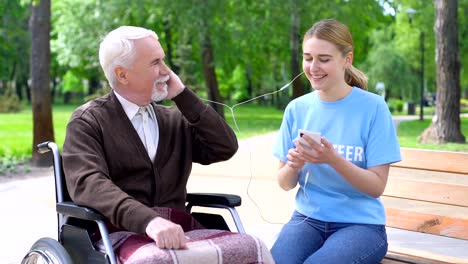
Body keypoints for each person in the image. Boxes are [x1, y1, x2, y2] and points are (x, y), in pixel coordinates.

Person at [62, 26, 273, 263]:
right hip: (115, 231)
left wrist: (183, 95)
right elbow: (89, 184)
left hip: (179, 227)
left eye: (164, 60)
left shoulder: (173, 119)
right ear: (123, 75)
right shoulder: (89, 121)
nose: (166, 71)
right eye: (155, 63)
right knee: (155, 260)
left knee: (253, 246)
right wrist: (148, 221)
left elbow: (224, 146)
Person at [270, 19, 401, 264]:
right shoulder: (297, 109)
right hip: (307, 220)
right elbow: (284, 183)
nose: (313, 67)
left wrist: (332, 159)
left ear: (347, 60)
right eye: (308, 58)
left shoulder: (373, 108)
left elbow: (376, 187)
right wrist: (294, 165)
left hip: (362, 226)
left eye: (324, 59)